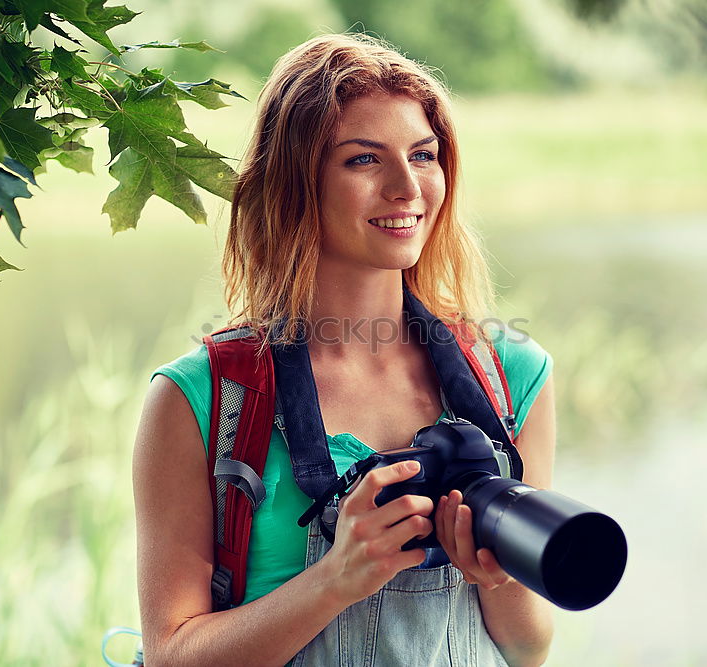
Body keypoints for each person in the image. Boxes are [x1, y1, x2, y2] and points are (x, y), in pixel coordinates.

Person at [132, 33, 556, 666]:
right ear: (297, 183)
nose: (407, 186)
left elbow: (527, 647)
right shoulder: (202, 397)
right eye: (364, 160)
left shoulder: (511, 375)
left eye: (423, 154)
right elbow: (172, 655)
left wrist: (492, 574)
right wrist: (337, 578)